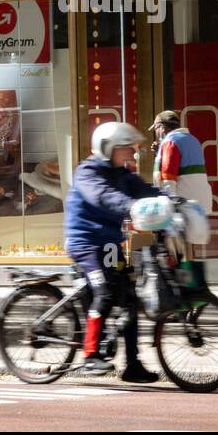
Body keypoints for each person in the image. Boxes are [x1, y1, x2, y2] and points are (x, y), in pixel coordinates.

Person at [64, 121, 161, 384]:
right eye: (126, 148)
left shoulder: (122, 174)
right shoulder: (88, 172)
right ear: (107, 149)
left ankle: (132, 365)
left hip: (108, 244)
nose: (132, 152)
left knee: (129, 299)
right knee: (105, 292)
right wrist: (131, 206)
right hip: (86, 243)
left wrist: (169, 200)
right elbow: (103, 196)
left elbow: (146, 190)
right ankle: (90, 354)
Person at [150, 110, 212, 213]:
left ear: (161, 127)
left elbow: (168, 179)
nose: (156, 133)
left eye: (155, 129)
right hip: (200, 204)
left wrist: (167, 208)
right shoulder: (193, 140)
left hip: (183, 206)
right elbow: (185, 165)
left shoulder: (170, 142)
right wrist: (161, 152)